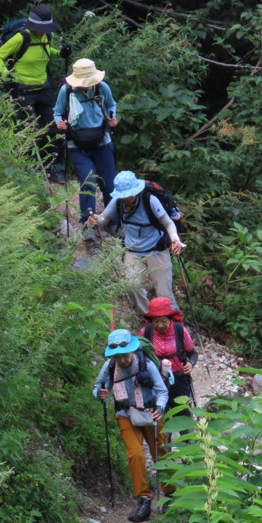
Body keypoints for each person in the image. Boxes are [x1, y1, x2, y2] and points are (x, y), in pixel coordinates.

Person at [92, 328, 175, 522]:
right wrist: (100, 394)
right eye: (118, 356)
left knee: (160, 452)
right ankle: (144, 499)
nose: (122, 360)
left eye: (124, 355)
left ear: (131, 350)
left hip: (150, 412)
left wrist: (160, 408)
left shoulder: (145, 362)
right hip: (126, 413)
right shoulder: (110, 366)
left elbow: (161, 390)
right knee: (135, 454)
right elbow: (98, 388)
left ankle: (171, 493)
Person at [88, 170, 185, 316]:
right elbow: (103, 220)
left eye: (127, 194)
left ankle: (174, 324)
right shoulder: (118, 201)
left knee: (164, 293)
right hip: (132, 250)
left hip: (156, 249)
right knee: (132, 286)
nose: (125, 197)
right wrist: (96, 219)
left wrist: (175, 239)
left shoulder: (150, 200)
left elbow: (168, 223)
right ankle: (149, 318)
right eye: (122, 195)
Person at [0, 5, 71, 182]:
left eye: (46, 29)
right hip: (23, 90)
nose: (44, 32)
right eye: (41, 29)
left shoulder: (47, 36)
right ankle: (27, 168)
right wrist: (7, 75)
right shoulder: (22, 37)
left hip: (44, 89)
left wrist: (60, 53)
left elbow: (46, 52)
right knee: (29, 130)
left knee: (55, 127)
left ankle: (56, 168)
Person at [53, 58, 118, 225]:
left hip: (102, 141)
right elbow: (57, 112)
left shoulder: (102, 87)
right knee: (88, 183)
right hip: (76, 144)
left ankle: (113, 221)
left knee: (110, 184)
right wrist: (59, 123)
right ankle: (88, 222)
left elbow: (111, 105)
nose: (86, 85)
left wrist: (112, 117)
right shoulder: (66, 91)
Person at [140, 297, 198, 432]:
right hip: (156, 381)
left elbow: (193, 353)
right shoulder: (146, 332)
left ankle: (189, 449)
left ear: (170, 318)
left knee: (183, 415)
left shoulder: (179, 330)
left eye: (164, 321)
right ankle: (165, 450)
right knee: (160, 416)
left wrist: (190, 364)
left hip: (179, 379)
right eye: (156, 321)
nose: (160, 325)